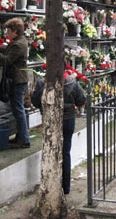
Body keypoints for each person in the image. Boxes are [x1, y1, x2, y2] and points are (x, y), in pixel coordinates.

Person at [32, 64, 86, 195]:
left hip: (50, 120)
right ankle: (65, 187)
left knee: (50, 150)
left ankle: (50, 185)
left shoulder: (42, 82)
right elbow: (81, 100)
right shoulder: (72, 82)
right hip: (68, 120)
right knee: (65, 152)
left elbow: (35, 101)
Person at [0, 18, 30, 148]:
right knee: (17, 109)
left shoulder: (18, 44)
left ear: (15, 31)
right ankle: (21, 136)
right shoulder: (19, 41)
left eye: (8, 30)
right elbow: (9, 49)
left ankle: (24, 139)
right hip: (19, 80)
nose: (7, 33)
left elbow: (7, 60)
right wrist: (0, 47)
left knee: (18, 110)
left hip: (18, 80)